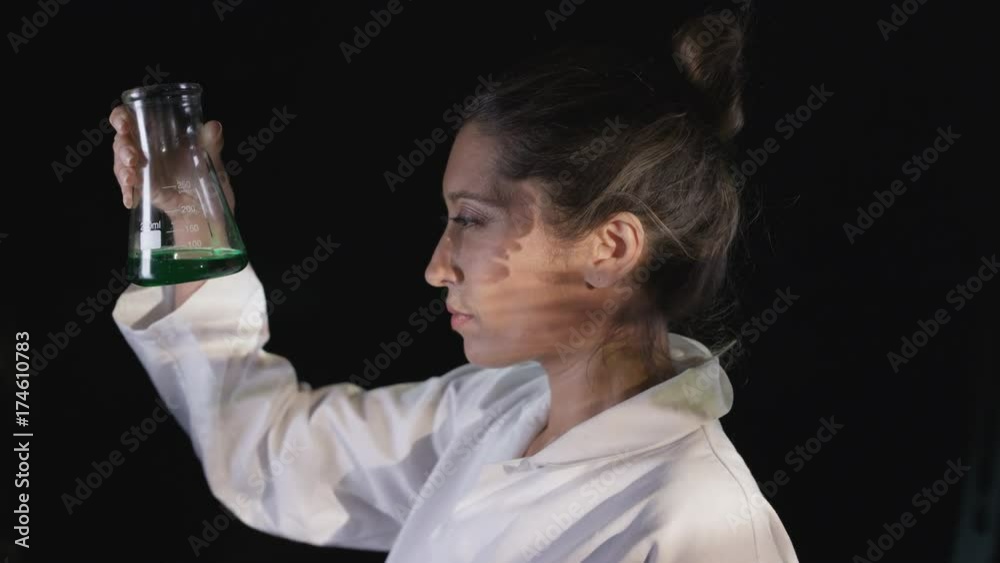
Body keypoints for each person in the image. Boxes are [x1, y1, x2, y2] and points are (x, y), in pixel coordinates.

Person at [109, 11, 799, 563]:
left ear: (609, 248)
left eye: (470, 219)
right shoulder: (494, 412)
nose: (437, 267)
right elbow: (276, 455)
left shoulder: (702, 528)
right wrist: (191, 225)